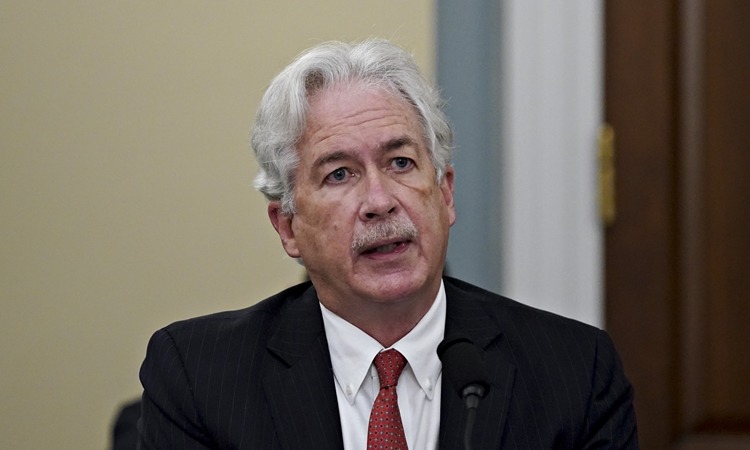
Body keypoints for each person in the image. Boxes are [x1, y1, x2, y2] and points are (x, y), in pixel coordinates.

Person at [137, 39, 638, 449]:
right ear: (288, 227)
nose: (380, 201)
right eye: (339, 174)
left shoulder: (575, 373)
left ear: (445, 194)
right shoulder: (199, 377)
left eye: (401, 163)